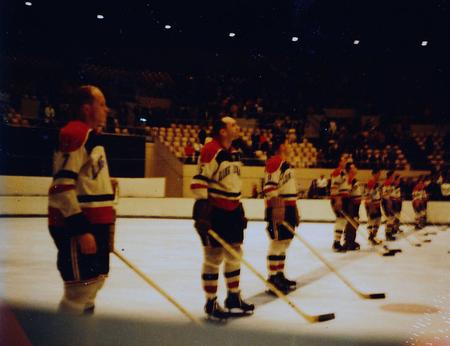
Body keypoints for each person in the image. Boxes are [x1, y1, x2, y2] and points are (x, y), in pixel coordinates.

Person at [48, 85, 115, 315]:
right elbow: (62, 187)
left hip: (96, 224)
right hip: (81, 225)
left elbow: (84, 179)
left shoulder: (92, 138)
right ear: (87, 108)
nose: (107, 109)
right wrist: (80, 229)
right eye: (102, 104)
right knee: (79, 290)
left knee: (94, 283)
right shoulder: (76, 133)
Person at [190, 116, 254, 320]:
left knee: (235, 254)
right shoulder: (211, 150)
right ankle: (211, 301)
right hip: (217, 211)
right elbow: (198, 183)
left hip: (233, 211)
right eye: (233, 125)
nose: (237, 127)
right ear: (223, 131)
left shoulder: (234, 153)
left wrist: (239, 208)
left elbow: (233, 184)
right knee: (213, 257)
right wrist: (203, 213)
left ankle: (233, 297)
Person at [263, 136, 300, 294]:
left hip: (289, 207)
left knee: (285, 242)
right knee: (277, 242)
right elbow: (270, 187)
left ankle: (279, 274)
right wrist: (278, 208)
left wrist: (295, 209)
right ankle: (272, 277)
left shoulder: (286, 164)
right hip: (280, 207)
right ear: (280, 145)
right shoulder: (274, 162)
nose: (290, 146)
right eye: (287, 143)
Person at [329, 156, 350, 252]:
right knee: (340, 220)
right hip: (339, 198)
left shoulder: (344, 172)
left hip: (343, 198)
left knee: (343, 221)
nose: (346, 161)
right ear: (339, 162)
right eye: (344, 160)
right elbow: (334, 186)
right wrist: (338, 200)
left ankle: (338, 241)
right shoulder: (338, 172)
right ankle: (336, 243)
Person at [342, 163, 361, 251]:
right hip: (351, 204)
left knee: (356, 222)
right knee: (351, 222)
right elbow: (347, 193)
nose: (356, 169)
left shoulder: (353, 180)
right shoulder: (348, 180)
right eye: (353, 168)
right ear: (349, 170)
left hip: (356, 204)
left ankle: (351, 240)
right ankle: (348, 241)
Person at [365, 168, 383, 245]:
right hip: (371, 204)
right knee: (371, 220)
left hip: (377, 204)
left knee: (378, 219)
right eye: (378, 174)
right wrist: (370, 205)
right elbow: (368, 194)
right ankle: (370, 237)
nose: (379, 175)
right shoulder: (370, 182)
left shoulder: (377, 183)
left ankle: (373, 236)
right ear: (374, 174)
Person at [381, 170, 396, 241]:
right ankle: (387, 234)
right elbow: (384, 195)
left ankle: (389, 233)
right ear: (390, 176)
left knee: (391, 218)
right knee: (390, 218)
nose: (394, 177)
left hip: (389, 202)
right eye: (393, 176)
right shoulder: (386, 184)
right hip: (386, 203)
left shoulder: (390, 184)